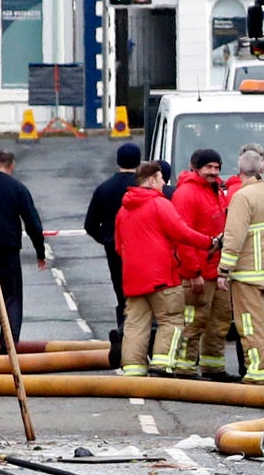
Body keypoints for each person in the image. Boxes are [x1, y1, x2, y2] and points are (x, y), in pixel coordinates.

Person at [114, 158, 217, 374]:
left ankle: (133, 369)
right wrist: (210, 242)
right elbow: (182, 232)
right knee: (171, 320)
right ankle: (162, 365)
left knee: (135, 324)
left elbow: (119, 246)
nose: (163, 184)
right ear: (152, 180)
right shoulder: (159, 204)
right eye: (161, 179)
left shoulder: (124, 210)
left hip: (133, 279)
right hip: (162, 277)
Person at [153, 148, 231, 376]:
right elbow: (183, 238)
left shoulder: (215, 190)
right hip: (198, 272)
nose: (213, 172)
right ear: (196, 167)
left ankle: (213, 367)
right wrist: (193, 272)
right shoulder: (187, 194)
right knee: (194, 323)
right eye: (208, 167)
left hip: (217, 270)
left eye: (216, 168)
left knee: (220, 322)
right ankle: (185, 368)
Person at [220, 144, 264, 386]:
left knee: (250, 325)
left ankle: (257, 375)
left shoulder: (242, 196)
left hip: (248, 274)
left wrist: (224, 269)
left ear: (239, 170)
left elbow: (234, 236)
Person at [0, 150, 51, 353]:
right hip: (7, 248)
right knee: (12, 296)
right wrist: (40, 252)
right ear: (12, 165)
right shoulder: (18, 188)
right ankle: (9, 342)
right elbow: (33, 223)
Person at [85, 139, 144, 315]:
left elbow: (90, 224)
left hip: (114, 247)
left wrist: (105, 238)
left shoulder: (104, 188)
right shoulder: (144, 187)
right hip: (143, 246)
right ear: (139, 161)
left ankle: (122, 327)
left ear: (118, 161)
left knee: (121, 290)